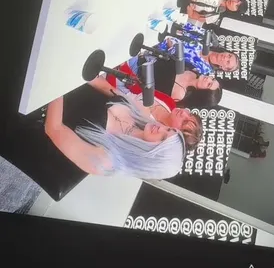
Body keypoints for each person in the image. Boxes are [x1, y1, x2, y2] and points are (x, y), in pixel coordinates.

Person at [43, 77, 197, 179]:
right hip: (68, 80)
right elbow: (103, 86)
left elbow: (54, 128)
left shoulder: (105, 162)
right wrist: (76, 68)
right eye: (168, 130)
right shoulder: (140, 114)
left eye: (162, 139)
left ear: (152, 157)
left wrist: (58, 81)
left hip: (45, 98)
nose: (161, 129)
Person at [106, 53, 223, 110]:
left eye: (209, 84)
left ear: (203, 94)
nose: (208, 79)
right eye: (212, 79)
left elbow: (143, 90)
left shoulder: (179, 96)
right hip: (143, 57)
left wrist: (125, 69)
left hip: (131, 73)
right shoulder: (193, 69)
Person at [156, 34, 240, 76]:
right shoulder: (209, 42)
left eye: (228, 62)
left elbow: (176, 67)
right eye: (229, 55)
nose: (226, 57)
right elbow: (186, 31)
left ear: (224, 68)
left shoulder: (202, 71)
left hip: (157, 51)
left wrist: (171, 48)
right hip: (165, 34)